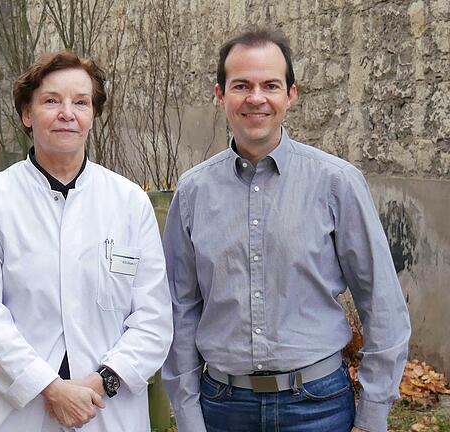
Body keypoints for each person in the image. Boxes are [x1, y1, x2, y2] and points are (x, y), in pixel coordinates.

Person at [162, 29, 410, 432]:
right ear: (220, 95)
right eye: (241, 85)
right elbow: (179, 310)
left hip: (320, 407)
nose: (256, 98)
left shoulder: (337, 183)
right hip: (222, 409)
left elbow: (381, 302)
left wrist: (374, 413)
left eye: (270, 85)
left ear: (291, 94)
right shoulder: (192, 192)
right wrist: (189, 416)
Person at [0, 51, 173, 432]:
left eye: (81, 102)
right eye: (51, 100)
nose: (67, 112)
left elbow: (152, 319)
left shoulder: (128, 202)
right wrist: (50, 388)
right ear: (27, 114)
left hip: (105, 408)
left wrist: (102, 381)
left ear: (93, 114)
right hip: (18, 412)